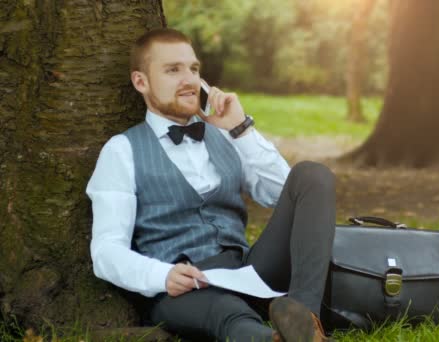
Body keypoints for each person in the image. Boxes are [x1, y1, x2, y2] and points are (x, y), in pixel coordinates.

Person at [86, 28, 336, 341]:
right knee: (228, 314)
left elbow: (283, 193)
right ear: (141, 82)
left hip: (248, 270)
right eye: (173, 70)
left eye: (193, 69)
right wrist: (162, 276)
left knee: (312, 175)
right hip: (185, 288)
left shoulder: (223, 134)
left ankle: (305, 318)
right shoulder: (121, 150)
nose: (189, 79)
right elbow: (106, 251)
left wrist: (241, 130)